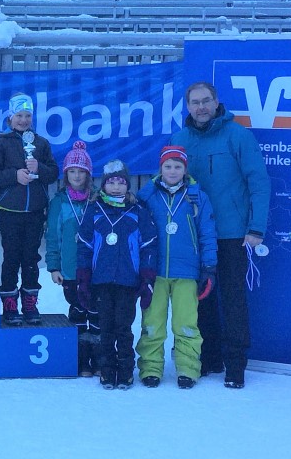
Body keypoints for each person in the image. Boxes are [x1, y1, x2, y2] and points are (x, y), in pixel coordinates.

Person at [170, 81, 270, 389]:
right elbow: (168, 183)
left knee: (233, 299)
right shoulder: (180, 140)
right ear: (188, 107)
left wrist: (256, 227)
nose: (200, 107)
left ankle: (235, 365)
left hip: (231, 234)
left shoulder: (238, 136)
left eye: (206, 101)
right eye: (195, 102)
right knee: (201, 299)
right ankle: (209, 357)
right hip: (194, 235)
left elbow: (258, 182)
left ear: (216, 103)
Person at [136, 146, 218, 390]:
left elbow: (207, 233)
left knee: (186, 323)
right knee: (152, 323)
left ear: (185, 169)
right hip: (155, 271)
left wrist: (209, 266)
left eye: (178, 166)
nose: (172, 171)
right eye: (168, 166)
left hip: (187, 271)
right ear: (160, 168)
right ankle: (150, 368)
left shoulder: (197, 197)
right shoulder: (148, 196)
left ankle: (188, 368)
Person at [76, 160, 157, 390]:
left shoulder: (137, 211)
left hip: (127, 281)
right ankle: (107, 371)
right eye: (111, 182)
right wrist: (83, 279)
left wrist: (147, 278)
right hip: (101, 281)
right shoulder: (94, 210)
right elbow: (84, 245)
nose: (116, 187)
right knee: (105, 328)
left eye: (121, 183)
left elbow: (149, 245)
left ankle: (125, 372)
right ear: (103, 185)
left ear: (127, 185)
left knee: (123, 328)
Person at [0, 93, 58, 325]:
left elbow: (54, 173)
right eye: (19, 116)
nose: (23, 120)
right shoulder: (2, 144)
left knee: (31, 258)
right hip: (9, 211)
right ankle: (9, 303)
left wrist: (39, 168)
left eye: (27, 115)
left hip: (35, 211)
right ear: (10, 117)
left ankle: (30, 303)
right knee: (11, 257)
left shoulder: (41, 143)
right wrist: (14, 176)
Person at [45, 140, 99, 376]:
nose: (77, 176)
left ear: (88, 174)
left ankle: (98, 359)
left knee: (96, 313)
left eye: (81, 171)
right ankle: (79, 360)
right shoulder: (59, 202)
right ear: (66, 174)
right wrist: (54, 266)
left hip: (95, 269)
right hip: (69, 269)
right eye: (72, 171)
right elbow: (53, 236)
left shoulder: (97, 200)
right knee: (77, 311)